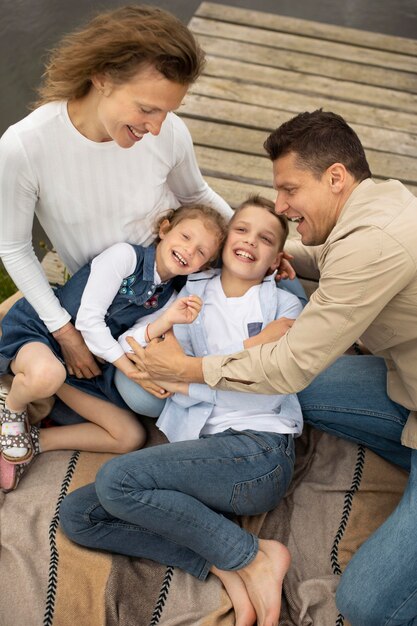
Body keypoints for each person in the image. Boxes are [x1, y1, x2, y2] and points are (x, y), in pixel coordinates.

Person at [124, 110, 417, 626]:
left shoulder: (376, 244)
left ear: (334, 177)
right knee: (281, 388)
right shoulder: (380, 201)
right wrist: (293, 260)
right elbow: (339, 258)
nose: (280, 205)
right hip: (408, 391)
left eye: (288, 190)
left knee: (367, 605)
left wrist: (188, 369)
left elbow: (290, 366)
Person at [60, 195, 305, 626]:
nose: (250, 241)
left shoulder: (283, 306)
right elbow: (140, 346)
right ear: (224, 242)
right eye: (242, 230)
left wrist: (185, 379)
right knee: (79, 516)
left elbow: (264, 383)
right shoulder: (189, 294)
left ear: (275, 260)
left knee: (118, 479)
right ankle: (226, 562)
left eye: (265, 239)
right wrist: (235, 353)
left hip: (259, 452)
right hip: (206, 457)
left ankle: (257, 558)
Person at [0, 4, 232, 385]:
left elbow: (196, 194)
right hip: (113, 299)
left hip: (175, 271)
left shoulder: (169, 132)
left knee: (283, 282)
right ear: (102, 77)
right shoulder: (26, 146)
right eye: (147, 109)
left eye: (167, 112)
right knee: (145, 393)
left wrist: (248, 239)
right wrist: (65, 332)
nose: (157, 128)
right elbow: (14, 248)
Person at [0, 204, 226, 492]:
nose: (189, 251)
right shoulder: (125, 257)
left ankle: (32, 442)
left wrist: (167, 320)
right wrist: (130, 371)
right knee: (47, 373)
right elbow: (88, 321)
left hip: (82, 363)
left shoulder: (169, 296)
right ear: (165, 229)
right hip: (45, 334)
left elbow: (125, 341)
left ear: (204, 266)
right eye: (185, 237)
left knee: (130, 436)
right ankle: (13, 410)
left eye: (201, 253)